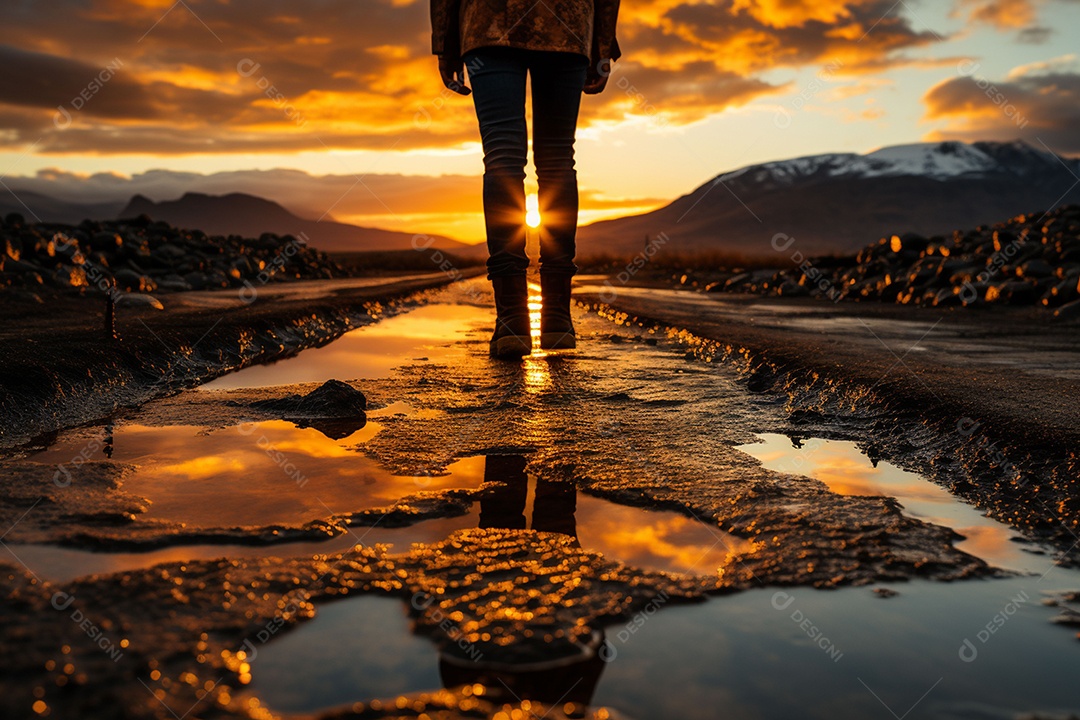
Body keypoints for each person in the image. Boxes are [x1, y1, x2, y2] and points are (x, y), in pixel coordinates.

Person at [430, 0, 621, 357]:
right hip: (567, 24)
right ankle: (557, 319)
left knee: (503, 157)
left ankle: (513, 321)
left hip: (488, 23)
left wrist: (444, 43)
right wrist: (602, 45)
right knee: (558, 161)